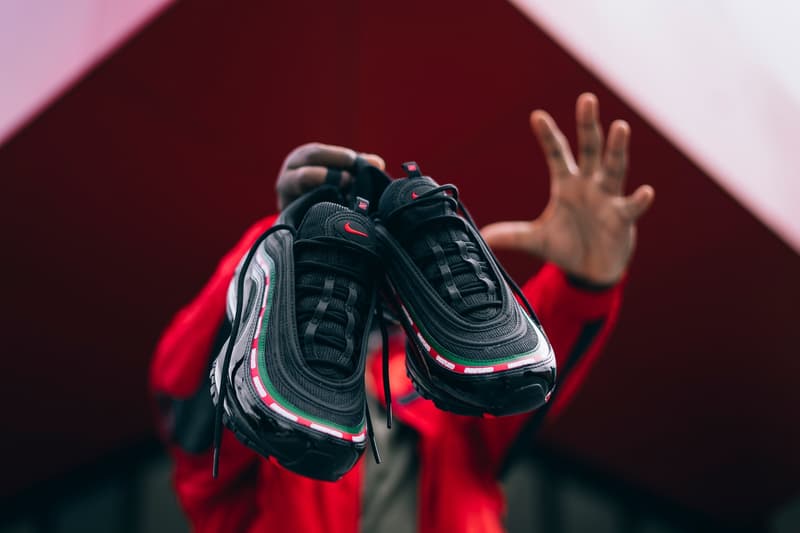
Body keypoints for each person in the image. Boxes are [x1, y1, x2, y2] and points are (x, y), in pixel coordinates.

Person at [150, 93, 654, 532]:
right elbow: (188, 394)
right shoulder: (259, 432)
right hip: (281, 392)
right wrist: (279, 246)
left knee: (486, 371)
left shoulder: (446, 409)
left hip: (439, 388)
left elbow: (512, 369)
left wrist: (583, 283)